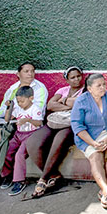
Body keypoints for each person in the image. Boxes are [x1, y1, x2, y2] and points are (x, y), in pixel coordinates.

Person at [0, 62, 47, 189]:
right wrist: (10, 110)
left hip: (25, 124)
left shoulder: (39, 88)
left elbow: (39, 109)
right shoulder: (13, 88)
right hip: (8, 120)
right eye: (26, 71)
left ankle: (5, 174)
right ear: (18, 74)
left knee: (0, 135)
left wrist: (18, 113)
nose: (30, 74)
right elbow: (2, 109)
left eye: (32, 71)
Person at [26, 66, 84, 198]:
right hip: (55, 121)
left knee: (59, 140)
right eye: (72, 77)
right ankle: (55, 176)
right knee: (33, 143)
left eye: (78, 76)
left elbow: (80, 105)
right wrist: (69, 105)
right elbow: (50, 105)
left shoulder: (85, 91)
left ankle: (43, 179)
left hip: (71, 124)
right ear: (67, 80)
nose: (76, 80)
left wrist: (62, 103)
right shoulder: (62, 90)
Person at [70, 74, 107, 209]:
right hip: (88, 137)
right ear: (89, 88)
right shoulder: (81, 101)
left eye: (104, 84)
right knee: (96, 156)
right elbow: (78, 127)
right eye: (99, 85)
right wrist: (93, 143)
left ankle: (105, 190)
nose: (103, 87)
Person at [0, 86, 44, 196]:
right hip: (18, 134)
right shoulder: (18, 108)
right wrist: (9, 108)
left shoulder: (35, 109)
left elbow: (39, 123)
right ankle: (7, 175)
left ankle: (19, 181)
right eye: (18, 101)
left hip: (30, 135)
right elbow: (7, 119)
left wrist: (28, 120)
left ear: (31, 98)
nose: (20, 104)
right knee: (7, 150)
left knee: (19, 155)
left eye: (22, 101)